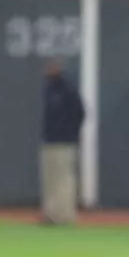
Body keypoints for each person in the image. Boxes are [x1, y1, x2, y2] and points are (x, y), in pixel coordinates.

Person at [39, 59, 84, 225]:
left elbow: (80, 112)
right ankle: (51, 215)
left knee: (64, 179)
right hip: (50, 140)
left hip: (65, 141)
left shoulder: (68, 89)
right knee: (50, 179)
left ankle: (65, 216)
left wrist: (70, 132)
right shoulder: (49, 88)